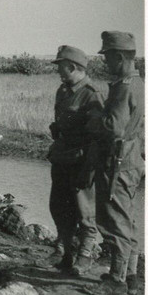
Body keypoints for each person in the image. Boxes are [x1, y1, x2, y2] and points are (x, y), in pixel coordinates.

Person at [87, 31, 145, 295]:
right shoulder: (138, 83)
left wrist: (95, 116)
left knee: (115, 221)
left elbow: (114, 127)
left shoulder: (123, 87)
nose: (105, 63)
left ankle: (117, 280)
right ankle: (130, 276)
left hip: (118, 162)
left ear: (120, 57)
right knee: (128, 219)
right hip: (131, 160)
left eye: (108, 57)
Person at [46, 45, 104, 275]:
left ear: (73, 67)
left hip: (81, 161)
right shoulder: (63, 91)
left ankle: (85, 257)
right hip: (61, 158)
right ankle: (65, 254)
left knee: (85, 211)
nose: (59, 72)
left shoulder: (92, 94)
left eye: (62, 67)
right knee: (59, 207)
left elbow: (97, 137)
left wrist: (90, 167)